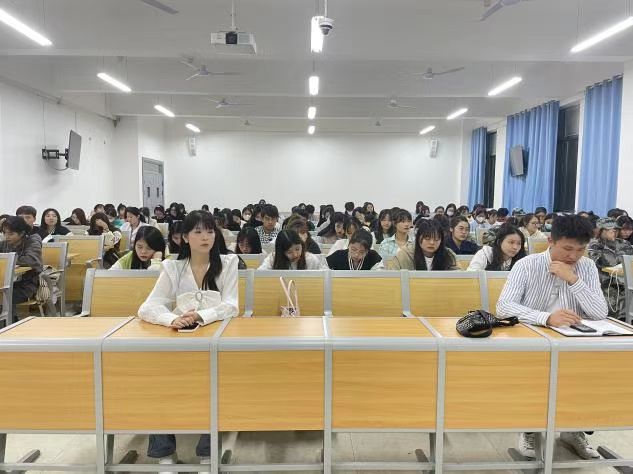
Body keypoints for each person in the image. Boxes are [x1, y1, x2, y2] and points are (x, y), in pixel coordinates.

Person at [497, 214, 607, 460]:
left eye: (580, 250)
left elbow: (600, 312)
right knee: (539, 374)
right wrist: (546, 318)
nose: (573, 256)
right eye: (567, 249)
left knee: (591, 374)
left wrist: (573, 280)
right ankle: (530, 428)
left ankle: (573, 429)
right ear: (551, 241)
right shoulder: (527, 265)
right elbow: (504, 307)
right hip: (532, 340)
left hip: (574, 343)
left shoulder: (587, 267)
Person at [138, 211, 238, 470]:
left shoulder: (228, 263)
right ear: (184, 237)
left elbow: (232, 305)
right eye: (198, 232)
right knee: (159, 382)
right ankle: (164, 453)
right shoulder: (173, 267)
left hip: (215, 342)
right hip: (179, 342)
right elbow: (148, 307)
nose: (205, 237)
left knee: (215, 383)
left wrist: (201, 315)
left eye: (210, 231)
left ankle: (207, 452)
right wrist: (171, 319)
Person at [587, 217, 633, 318]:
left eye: (616, 229)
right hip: (606, 284)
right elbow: (606, 263)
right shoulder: (594, 245)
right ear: (601, 231)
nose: (614, 232)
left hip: (625, 282)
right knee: (611, 303)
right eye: (610, 229)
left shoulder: (624, 244)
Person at [0, 216, 43, 322]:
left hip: (26, 286)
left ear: (22, 233)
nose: (7, 237)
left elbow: (31, 260)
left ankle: (10, 324)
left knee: (5, 296)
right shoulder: (4, 244)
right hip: (5, 284)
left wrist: (9, 261)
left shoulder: (32, 242)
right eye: (5, 233)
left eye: (11, 234)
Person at [388, 219, 458, 271]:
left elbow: (458, 277)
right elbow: (392, 277)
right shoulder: (405, 254)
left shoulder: (449, 255)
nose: (432, 242)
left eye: (436, 239)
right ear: (418, 238)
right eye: (427, 238)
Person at [258, 230, 326, 270]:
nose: (295, 255)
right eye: (289, 252)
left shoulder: (310, 259)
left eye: (297, 249)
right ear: (281, 252)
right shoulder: (273, 259)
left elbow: (324, 276)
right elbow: (260, 275)